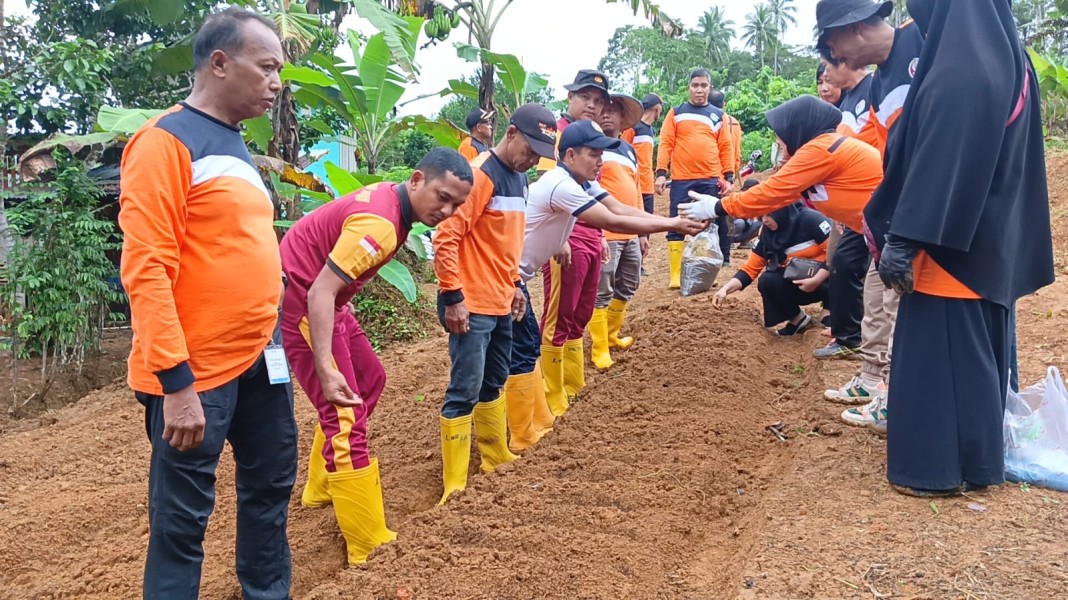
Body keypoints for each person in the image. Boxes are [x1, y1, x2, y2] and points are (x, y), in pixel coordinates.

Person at [119, 9, 296, 598]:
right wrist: (176, 384)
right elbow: (147, 269)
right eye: (267, 66)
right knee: (182, 523)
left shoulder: (235, 145)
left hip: (260, 359)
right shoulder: (164, 141)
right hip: (197, 375)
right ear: (219, 63)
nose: (277, 83)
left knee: (270, 489)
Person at [864, 0, 1053, 496]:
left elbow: (944, 153)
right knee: (972, 360)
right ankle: (976, 463)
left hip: (949, 247)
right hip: (988, 237)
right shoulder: (1006, 55)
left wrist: (904, 236)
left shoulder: (962, 65)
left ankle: (932, 471)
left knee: (937, 360)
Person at [280, 149, 472, 563]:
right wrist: (326, 368)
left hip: (330, 301)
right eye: (442, 197)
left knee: (369, 381)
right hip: (304, 301)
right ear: (417, 180)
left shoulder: (395, 205)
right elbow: (319, 291)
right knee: (345, 415)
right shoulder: (382, 224)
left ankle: (323, 486)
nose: (447, 210)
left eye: (456, 205)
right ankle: (367, 544)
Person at [520, 120, 706, 418]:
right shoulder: (560, 184)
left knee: (576, 316)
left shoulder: (583, 182)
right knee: (553, 325)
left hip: (520, 273)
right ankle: (553, 397)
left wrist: (671, 221)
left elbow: (619, 208)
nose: (600, 161)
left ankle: (571, 386)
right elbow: (611, 221)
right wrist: (672, 224)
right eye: (594, 154)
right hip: (510, 274)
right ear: (570, 155)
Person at [678, 96, 882, 359]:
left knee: (883, 297)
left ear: (797, 130)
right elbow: (777, 198)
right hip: (865, 225)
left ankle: (878, 366)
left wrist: (718, 207)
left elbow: (772, 193)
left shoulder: (820, 149)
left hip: (887, 224)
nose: (778, 143)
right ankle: (850, 339)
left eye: (780, 136)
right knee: (844, 264)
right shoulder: (817, 150)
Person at [432, 104, 558, 504]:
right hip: (472, 303)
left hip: (503, 299)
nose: (534, 158)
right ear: (511, 134)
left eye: (542, 152)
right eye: (532, 148)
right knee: (464, 388)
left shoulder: (519, 179)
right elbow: (445, 238)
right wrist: (453, 297)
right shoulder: (482, 175)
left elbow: (505, 245)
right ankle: (454, 481)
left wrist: (517, 284)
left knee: (494, 380)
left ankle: (493, 454)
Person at [816, 0, 924, 425]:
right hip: (890, 215)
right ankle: (875, 380)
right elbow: (883, 158)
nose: (835, 62)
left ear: (856, 27)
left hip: (931, 212)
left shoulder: (925, 35)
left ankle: (896, 396)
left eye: (835, 51)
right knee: (877, 299)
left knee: (901, 309)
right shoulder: (879, 86)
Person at [655, 68, 737, 287]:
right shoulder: (676, 112)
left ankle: (706, 273)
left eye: (704, 85)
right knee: (677, 223)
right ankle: (675, 274)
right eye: (695, 85)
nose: (699, 89)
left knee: (710, 225)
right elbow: (666, 143)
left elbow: (726, 146)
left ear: (709, 88)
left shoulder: (719, 116)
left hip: (710, 178)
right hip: (682, 178)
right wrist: (661, 173)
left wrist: (728, 177)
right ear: (688, 87)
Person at [714, 203, 833, 336]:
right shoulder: (766, 233)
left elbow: (836, 254)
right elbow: (750, 269)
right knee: (768, 280)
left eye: (770, 215)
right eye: (762, 216)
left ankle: (831, 308)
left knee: (846, 266)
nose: (765, 220)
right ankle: (796, 317)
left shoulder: (811, 220)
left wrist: (816, 280)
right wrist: (725, 289)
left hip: (827, 279)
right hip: (800, 282)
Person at [589, 93, 645, 371]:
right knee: (602, 289)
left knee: (628, 284)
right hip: (606, 231)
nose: (608, 115)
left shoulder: (628, 150)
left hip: (630, 231)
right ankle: (598, 348)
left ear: (623, 119)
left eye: (615, 111)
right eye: (605, 110)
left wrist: (643, 231)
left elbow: (635, 189)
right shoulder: (591, 147)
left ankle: (611, 336)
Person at [622, 93, 663, 216]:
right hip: (635, 184)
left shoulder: (651, 130)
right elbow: (622, 150)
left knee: (647, 222)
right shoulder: (633, 127)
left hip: (647, 184)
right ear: (658, 109)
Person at [819, 49, 874, 138]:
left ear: (842, 63)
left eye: (826, 65)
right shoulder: (845, 102)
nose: (825, 74)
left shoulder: (875, 88)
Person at [710, 90, 744, 182]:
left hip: (710, 173)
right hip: (729, 172)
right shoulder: (734, 122)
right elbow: (737, 149)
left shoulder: (706, 121)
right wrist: (735, 166)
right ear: (724, 104)